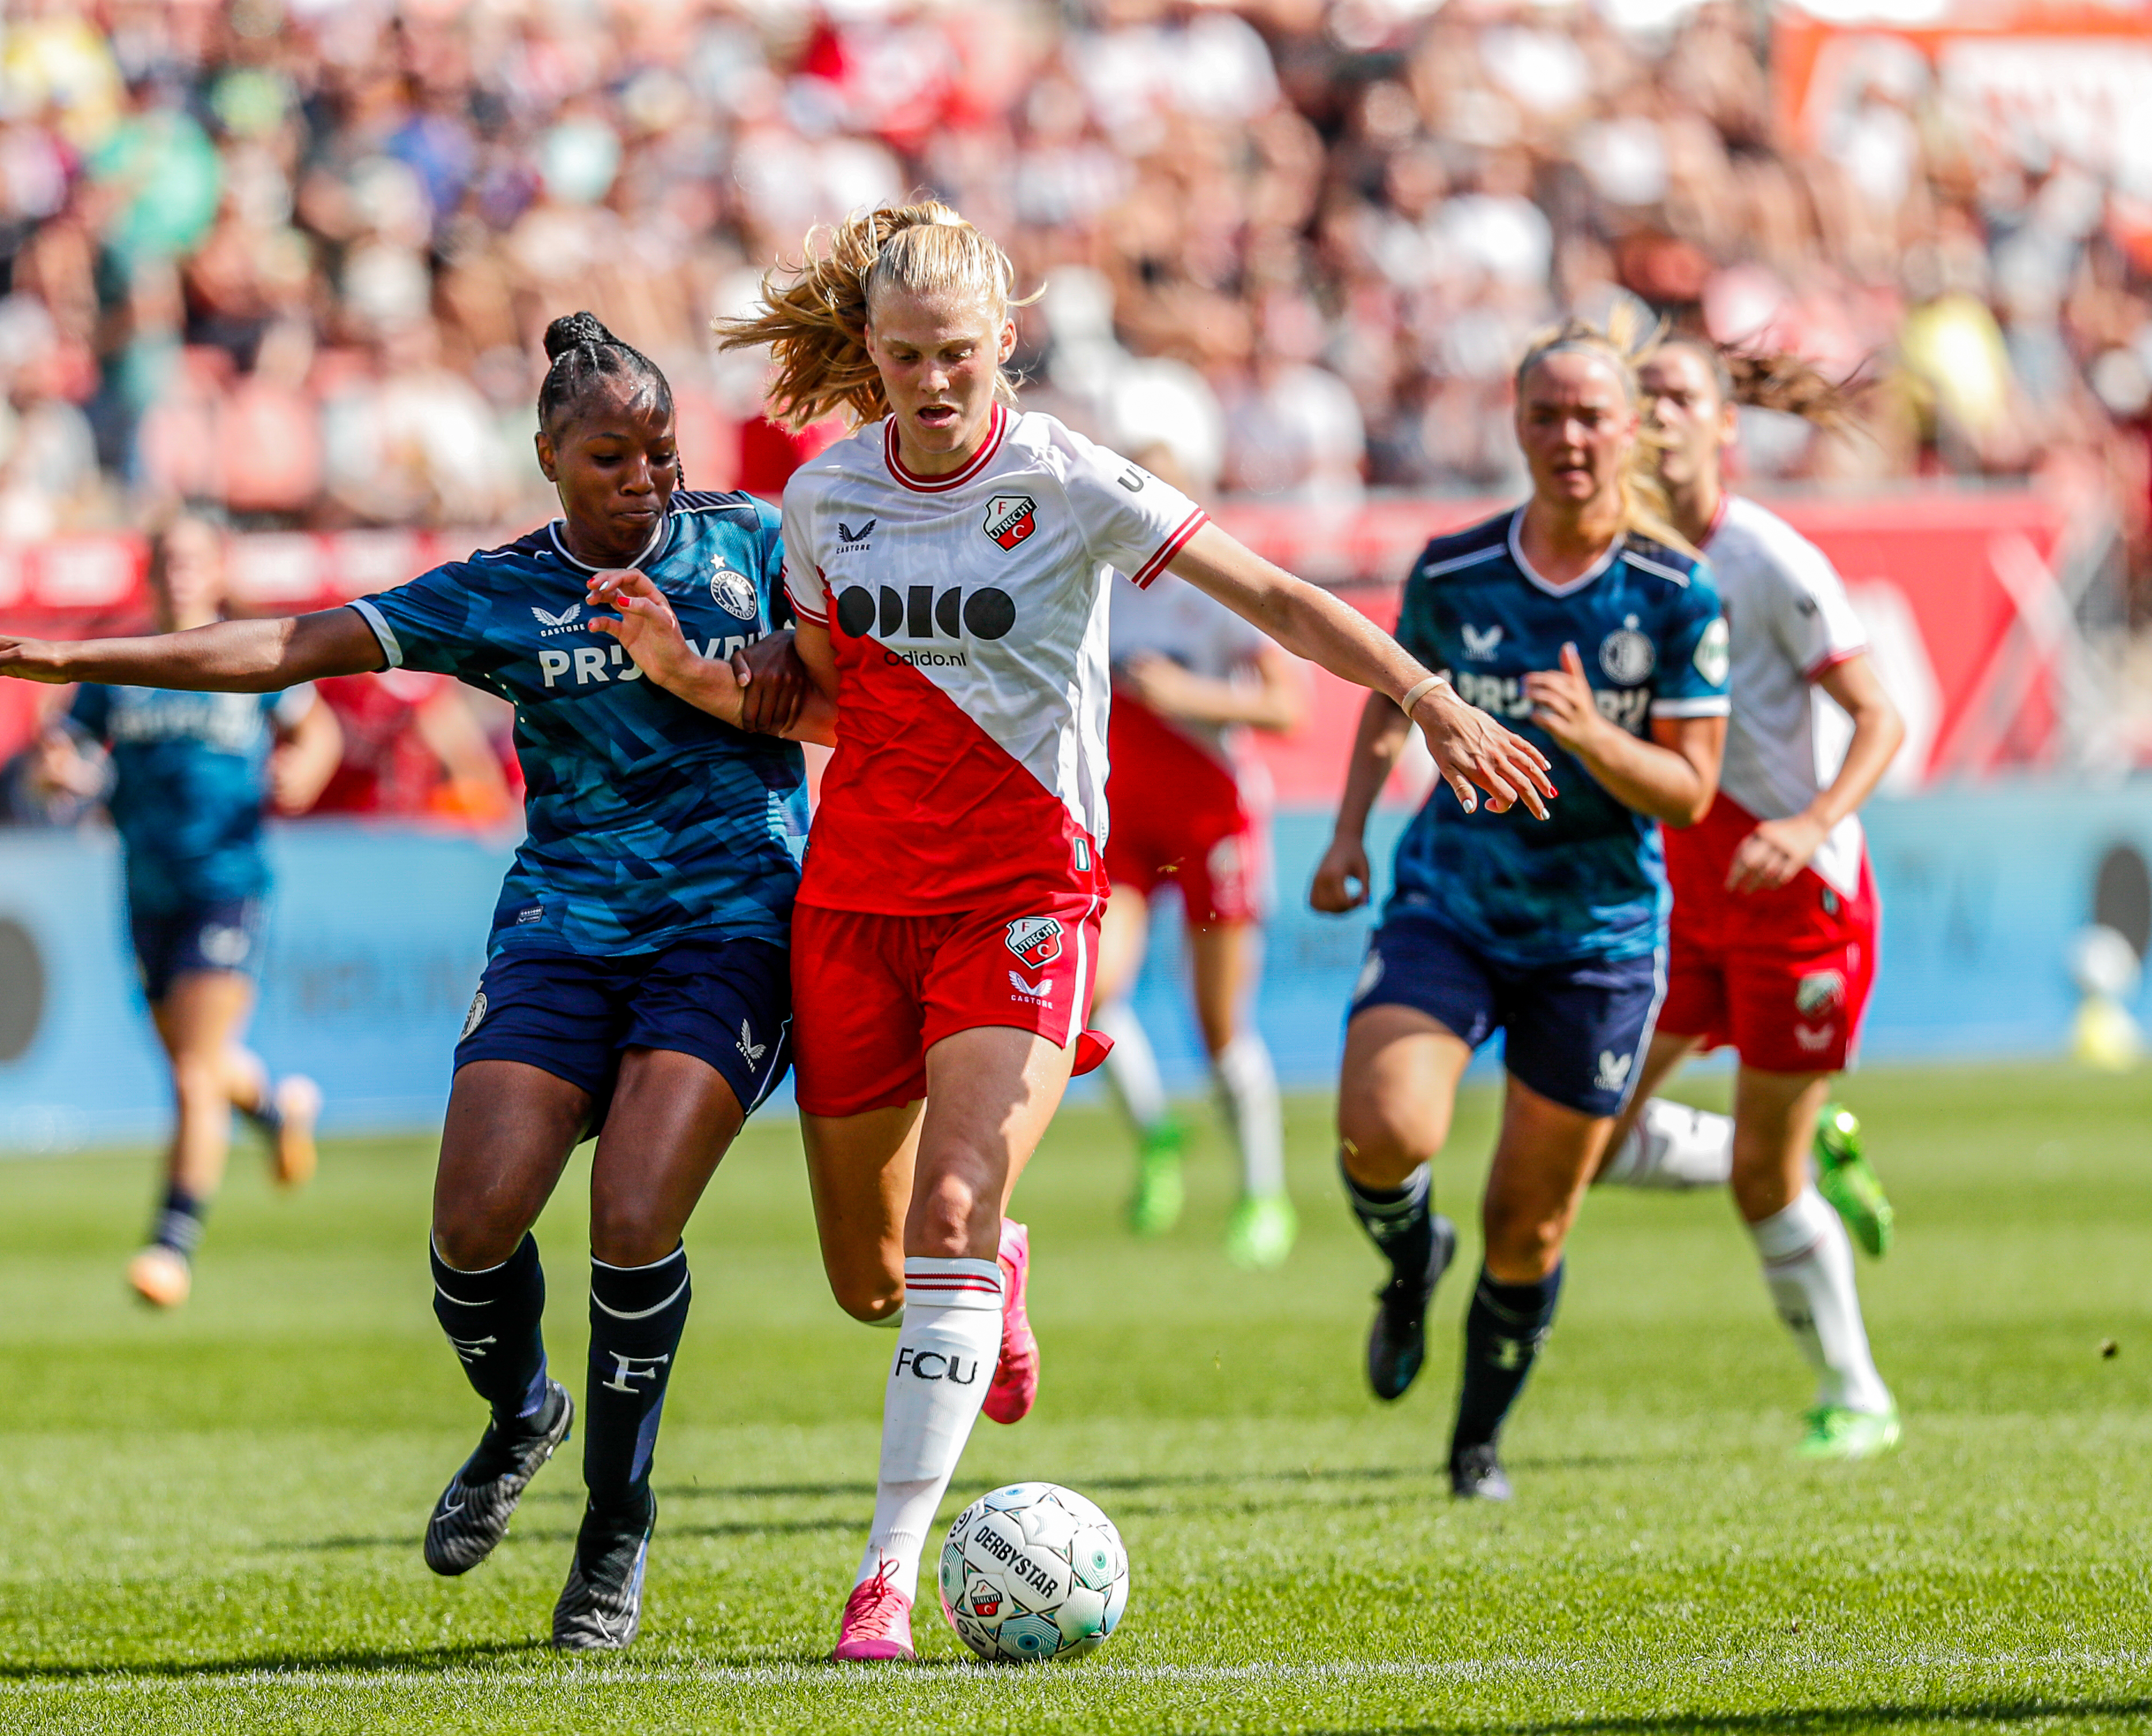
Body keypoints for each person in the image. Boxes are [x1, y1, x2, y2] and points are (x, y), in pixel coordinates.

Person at [606, 201, 1552, 1660]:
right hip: (856, 903)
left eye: (962, 357)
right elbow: (816, 697)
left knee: (948, 1216)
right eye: (908, 355)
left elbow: (1284, 600)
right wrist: (680, 668)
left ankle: (885, 1580)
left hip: (1026, 894)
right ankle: (998, 1282)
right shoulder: (823, 500)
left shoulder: (1070, 480)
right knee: (873, 1282)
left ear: (1008, 348)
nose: (934, 381)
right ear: (868, 351)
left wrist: (1426, 696)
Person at [0, 314, 819, 1652]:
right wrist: (68, 659)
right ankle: (524, 1410)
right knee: (472, 1226)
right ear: (546, 458)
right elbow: (282, 649)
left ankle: (615, 1520)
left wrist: (693, 672)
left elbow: (842, 703)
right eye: (610, 456)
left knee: (633, 1215)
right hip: (566, 928)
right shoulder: (496, 594)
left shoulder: (751, 545)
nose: (646, 477)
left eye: (660, 449)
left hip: (732, 923)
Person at [1309, 317, 1732, 1504]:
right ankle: (1407, 1265)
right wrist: (1348, 830)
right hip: (1451, 900)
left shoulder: (1677, 593)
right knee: (1383, 1132)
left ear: (1632, 429)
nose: (1569, 438)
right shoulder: (1453, 569)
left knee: (1528, 1225)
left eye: (1592, 415)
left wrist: (1598, 736)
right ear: (1516, 426)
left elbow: (1694, 792)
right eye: (1546, 415)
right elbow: (1397, 698)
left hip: (1596, 939)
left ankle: (1474, 1446)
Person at [1600, 335, 1905, 1460]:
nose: (1659, 411)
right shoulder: (1619, 561)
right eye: (1644, 397)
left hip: (1798, 899)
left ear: (1727, 425)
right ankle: (1800, 1139)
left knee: (1758, 1185)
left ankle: (1857, 1392)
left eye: (1680, 393)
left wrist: (1811, 824)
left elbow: (1880, 715)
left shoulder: (1770, 559)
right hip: (1686, 897)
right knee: (1583, 1127)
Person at [31, 513, 341, 1308]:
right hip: (147, 885)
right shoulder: (123, 666)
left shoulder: (247, 651)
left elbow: (317, 734)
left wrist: (302, 775)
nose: (179, 573)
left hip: (225, 880)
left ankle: (172, 1243)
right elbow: (63, 747)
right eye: (166, 560)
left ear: (217, 569)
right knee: (196, 1064)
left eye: (193, 559)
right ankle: (276, 1108)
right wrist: (59, 774)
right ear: (150, 573)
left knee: (194, 1076)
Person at [1086, 475, 1312, 1264]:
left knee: (1219, 1027)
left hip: (1213, 814)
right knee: (1090, 992)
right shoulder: (1095, 579)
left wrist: (1188, 694)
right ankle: (1158, 1137)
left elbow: (1290, 708)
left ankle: (1262, 1194)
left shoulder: (1216, 583)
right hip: (1124, 816)